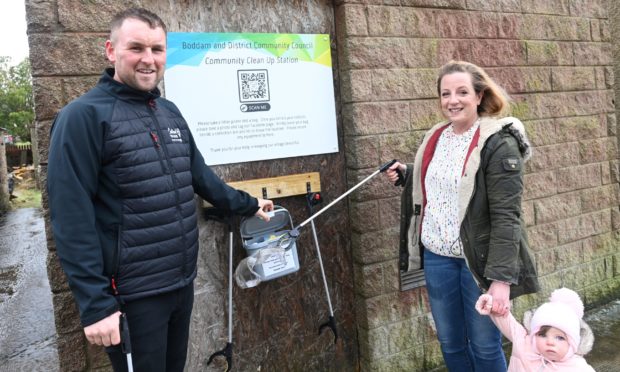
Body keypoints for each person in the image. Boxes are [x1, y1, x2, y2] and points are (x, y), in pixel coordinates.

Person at [47, 8, 273, 372]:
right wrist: (96, 305)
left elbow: (201, 178)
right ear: (110, 50)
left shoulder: (169, 113)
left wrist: (249, 205)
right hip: (132, 297)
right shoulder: (83, 118)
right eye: (136, 48)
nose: (148, 59)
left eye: (157, 49)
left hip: (179, 283)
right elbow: (71, 218)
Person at [383, 60, 540, 371]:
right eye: (445, 93)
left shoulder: (499, 142)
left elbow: (507, 217)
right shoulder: (436, 136)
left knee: (484, 346)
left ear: (479, 96)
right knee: (451, 345)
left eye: (462, 92)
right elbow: (452, 180)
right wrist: (408, 174)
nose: (452, 100)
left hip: (479, 265)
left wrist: (500, 281)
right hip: (438, 258)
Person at [476, 288, 596, 371]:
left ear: (572, 343)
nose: (550, 342)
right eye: (543, 335)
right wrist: (493, 305)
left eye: (560, 337)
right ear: (534, 334)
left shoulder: (577, 367)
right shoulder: (524, 345)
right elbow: (506, 320)